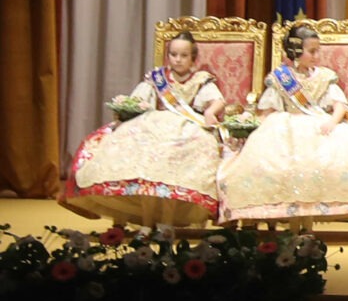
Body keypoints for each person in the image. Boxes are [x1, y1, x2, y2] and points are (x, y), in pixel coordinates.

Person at [219, 22, 348, 228]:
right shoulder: (281, 79)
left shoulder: (324, 77)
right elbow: (269, 110)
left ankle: (318, 212)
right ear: (296, 51)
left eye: (318, 51)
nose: (316, 56)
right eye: (311, 51)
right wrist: (249, 122)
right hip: (285, 126)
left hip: (320, 123)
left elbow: (339, 106)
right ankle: (283, 214)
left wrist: (332, 122)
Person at [63, 29, 228, 228]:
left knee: (193, 149)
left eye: (184, 56)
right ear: (167, 56)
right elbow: (139, 100)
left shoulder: (201, 80)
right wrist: (129, 108)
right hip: (154, 122)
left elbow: (217, 100)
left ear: (193, 58)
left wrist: (210, 112)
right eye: (173, 55)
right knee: (129, 141)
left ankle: (171, 213)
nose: (178, 60)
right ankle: (129, 210)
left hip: (187, 127)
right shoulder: (157, 79)